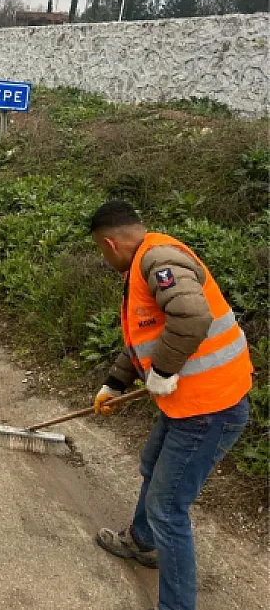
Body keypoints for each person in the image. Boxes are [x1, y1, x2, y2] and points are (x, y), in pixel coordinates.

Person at [88, 200, 251, 610]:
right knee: (151, 464)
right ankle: (142, 544)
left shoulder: (158, 262)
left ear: (109, 243)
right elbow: (148, 335)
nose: (103, 257)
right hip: (190, 404)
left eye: (100, 250)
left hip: (210, 408)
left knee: (168, 508)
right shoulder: (147, 261)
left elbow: (192, 316)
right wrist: (114, 382)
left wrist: (162, 370)